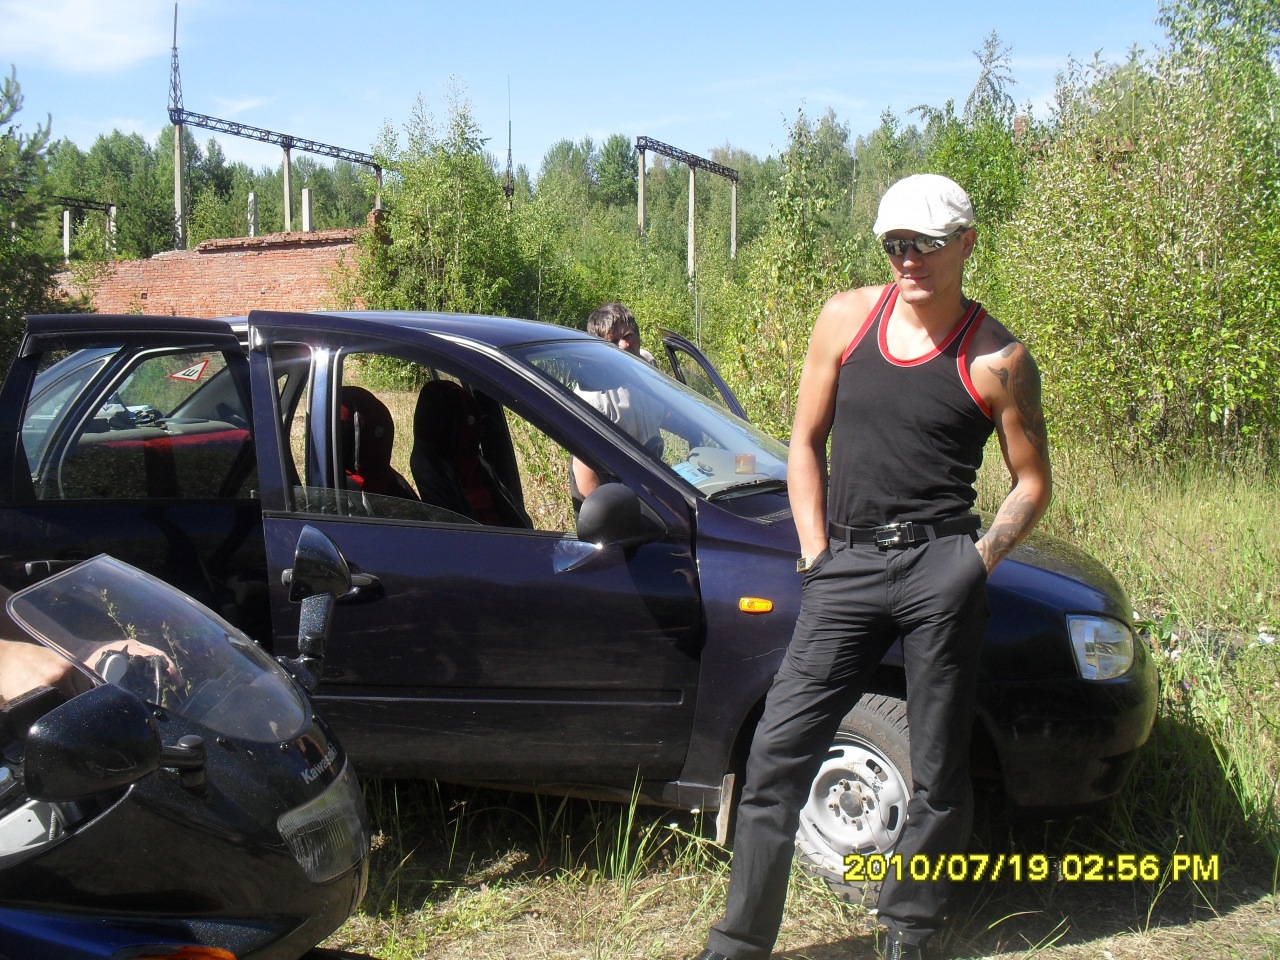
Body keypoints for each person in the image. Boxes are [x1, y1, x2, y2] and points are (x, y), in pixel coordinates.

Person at [693, 174, 1052, 960]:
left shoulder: (997, 359)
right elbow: (803, 442)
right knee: (775, 753)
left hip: (940, 569)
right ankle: (739, 942)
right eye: (894, 244)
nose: (908, 259)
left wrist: (975, 563)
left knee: (939, 773)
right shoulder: (847, 319)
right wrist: (815, 553)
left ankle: (909, 932)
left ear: (966, 244)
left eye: (925, 244)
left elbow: (1032, 482)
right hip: (847, 564)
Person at [572, 303, 665, 501]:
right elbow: (584, 470)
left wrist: (701, 434)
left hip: (651, 479)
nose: (623, 345)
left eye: (628, 336)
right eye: (613, 341)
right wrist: (614, 514)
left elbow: (666, 413)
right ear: (597, 349)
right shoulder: (591, 395)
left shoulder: (647, 364)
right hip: (609, 492)